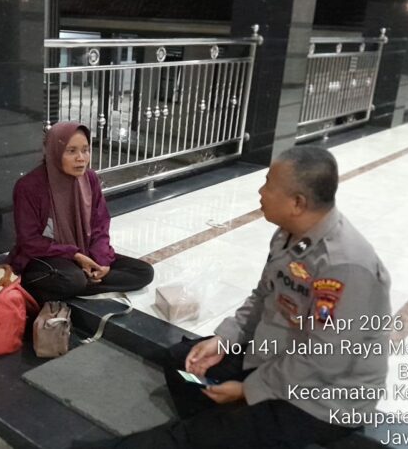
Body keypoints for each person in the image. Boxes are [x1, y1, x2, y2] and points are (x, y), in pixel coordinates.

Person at [88, 146, 391, 448]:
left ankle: (221, 429)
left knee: (185, 438)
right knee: (182, 364)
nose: (260, 191)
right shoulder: (288, 235)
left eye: (269, 184)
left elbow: (324, 359)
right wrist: (223, 340)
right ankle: (227, 428)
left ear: (297, 203)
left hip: (319, 397)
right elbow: (262, 297)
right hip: (275, 356)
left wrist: (250, 390)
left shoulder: (345, 265)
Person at [8, 121, 154, 303]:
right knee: (72, 279)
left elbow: (100, 223)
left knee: (144, 272)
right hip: (45, 257)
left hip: (84, 252)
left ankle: (82, 281)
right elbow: (29, 240)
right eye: (71, 151)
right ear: (54, 152)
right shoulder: (29, 187)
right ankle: (73, 281)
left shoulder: (90, 179)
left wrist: (101, 261)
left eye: (85, 150)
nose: (81, 158)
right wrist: (74, 255)